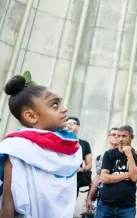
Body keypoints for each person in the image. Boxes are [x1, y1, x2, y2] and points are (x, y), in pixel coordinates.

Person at [0, 74, 81, 217]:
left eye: (60, 103)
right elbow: (8, 204)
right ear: (31, 116)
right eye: (54, 105)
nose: (64, 109)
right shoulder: (16, 148)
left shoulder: (71, 148)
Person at [96, 125, 137, 218]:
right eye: (118, 136)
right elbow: (104, 178)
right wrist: (127, 175)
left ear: (132, 137)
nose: (120, 139)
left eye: (124, 136)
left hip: (127, 207)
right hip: (106, 205)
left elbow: (134, 178)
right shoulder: (109, 154)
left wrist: (129, 155)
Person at [87, 127, 119, 212]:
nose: (116, 137)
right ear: (108, 137)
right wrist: (90, 197)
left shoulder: (126, 154)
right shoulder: (104, 155)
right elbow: (98, 176)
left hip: (120, 198)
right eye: (113, 134)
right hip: (103, 196)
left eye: (118, 135)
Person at [66, 116, 93, 195]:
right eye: (66, 124)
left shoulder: (84, 144)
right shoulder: (59, 140)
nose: (68, 126)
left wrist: (82, 169)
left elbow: (89, 165)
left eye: (71, 124)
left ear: (78, 126)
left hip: (75, 179)